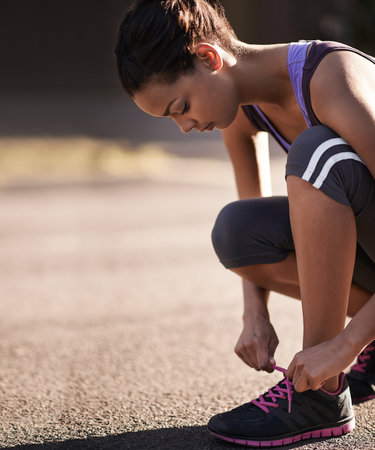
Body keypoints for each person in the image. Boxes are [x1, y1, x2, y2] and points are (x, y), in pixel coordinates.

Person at [115, 0, 375, 446]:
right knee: (238, 232)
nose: (184, 126)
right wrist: (255, 314)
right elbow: (252, 212)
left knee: (317, 154)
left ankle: (320, 398)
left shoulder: (333, 77)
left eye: (180, 107)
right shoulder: (241, 109)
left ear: (209, 58)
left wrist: (344, 346)